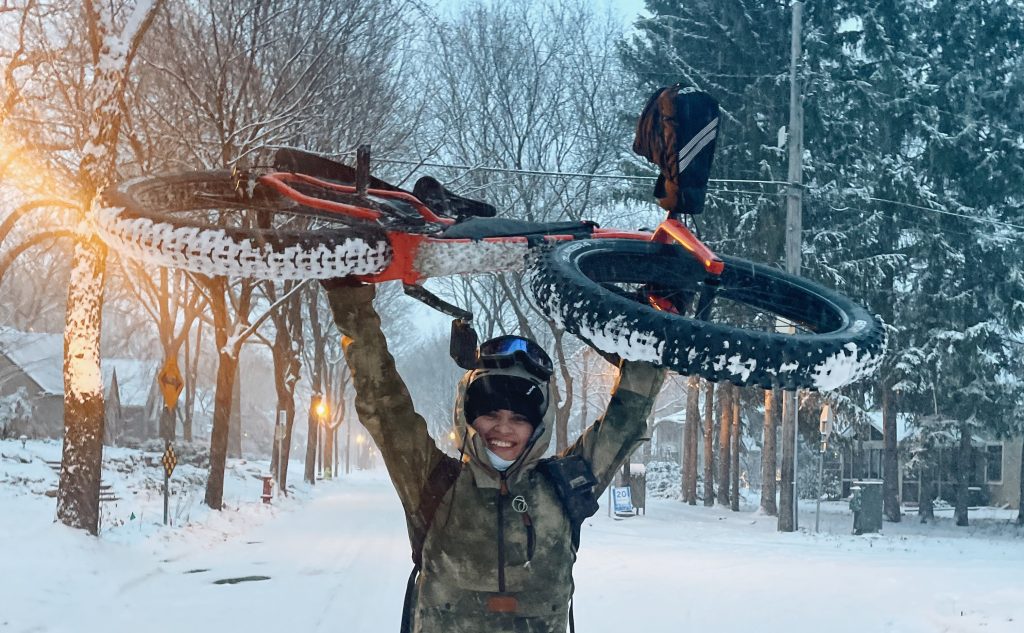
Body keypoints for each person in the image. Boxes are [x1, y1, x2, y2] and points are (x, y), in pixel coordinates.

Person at [324, 281, 666, 633]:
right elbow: (384, 403)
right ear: (468, 417)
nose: (503, 429)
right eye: (490, 414)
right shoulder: (433, 480)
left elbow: (624, 420)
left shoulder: (564, 487)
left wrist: (655, 322)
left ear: (537, 427)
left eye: (519, 418)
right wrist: (350, 299)